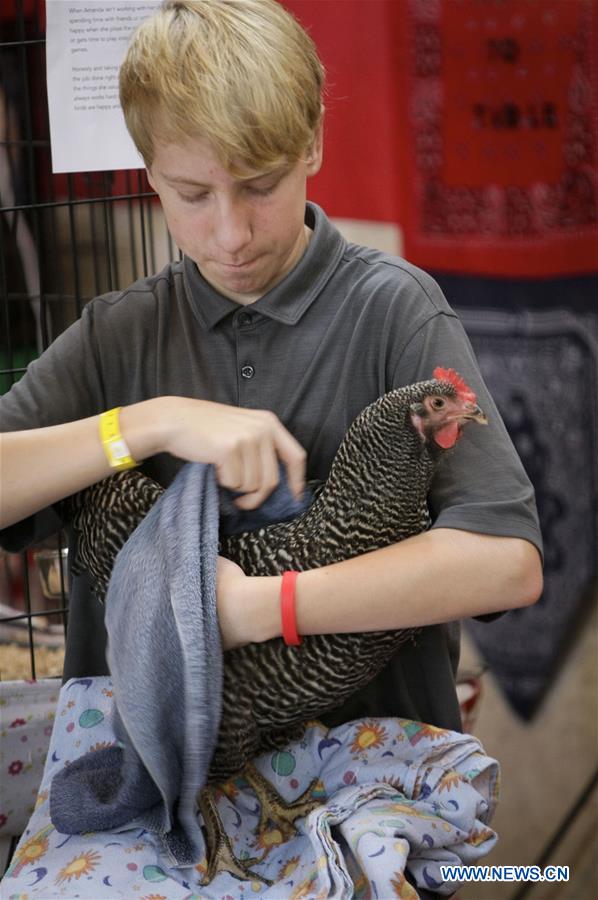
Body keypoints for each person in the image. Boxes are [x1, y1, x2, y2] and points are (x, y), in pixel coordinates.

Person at [0, 0, 542, 732]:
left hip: (364, 759)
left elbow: (507, 561)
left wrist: (263, 607)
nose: (231, 234)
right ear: (150, 173)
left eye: (260, 185)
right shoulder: (116, 334)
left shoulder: (394, 310)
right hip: (158, 774)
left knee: (513, 862)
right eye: (192, 195)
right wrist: (148, 424)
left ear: (312, 141)